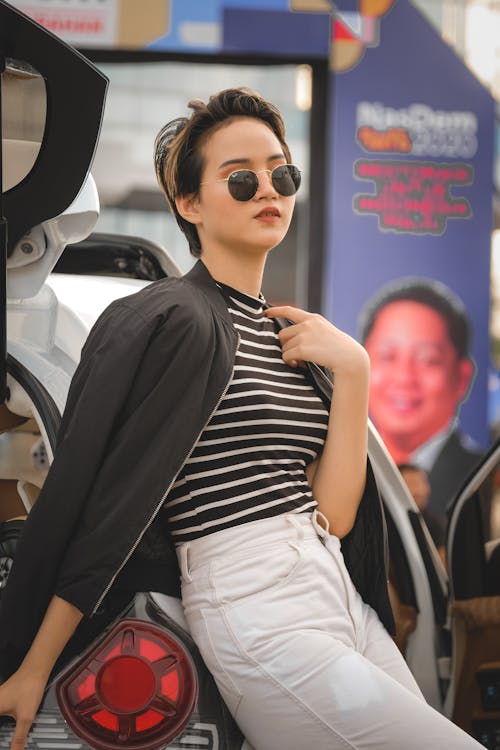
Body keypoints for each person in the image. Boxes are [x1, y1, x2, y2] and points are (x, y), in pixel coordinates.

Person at [0, 88, 482, 750]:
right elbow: (104, 501)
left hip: (331, 589)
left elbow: (335, 516)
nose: (269, 190)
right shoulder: (173, 318)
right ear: (190, 205)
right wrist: (31, 664)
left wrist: (357, 371)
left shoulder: (291, 339)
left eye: (282, 173)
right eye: (241, 178)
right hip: (255, 606)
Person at [359, 278, 483, 517]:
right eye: (387, 356)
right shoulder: (343, 467)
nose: (405, 377)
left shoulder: (479, 476)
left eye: (428, 360)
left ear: (462, 377)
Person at [398, 462, 447, 566]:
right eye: (412, 483)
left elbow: (442, 566)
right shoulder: (385, 520)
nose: (420, 490)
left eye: (423, 482)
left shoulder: (434, 523)